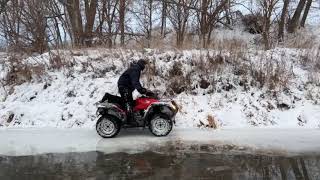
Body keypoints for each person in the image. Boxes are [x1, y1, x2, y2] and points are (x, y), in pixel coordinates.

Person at [117, 59, 153, 125]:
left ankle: (129, 118)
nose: (145, 67)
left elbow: (134, 82)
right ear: (142, 64)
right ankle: (129, 121)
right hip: (124, 86)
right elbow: (135, 82)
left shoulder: (136, 68)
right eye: (144, 65)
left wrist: (142, 90)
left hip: (125, 86)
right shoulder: (136, 69)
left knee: (129, 101)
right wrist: (141, 90)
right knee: (128, 103)